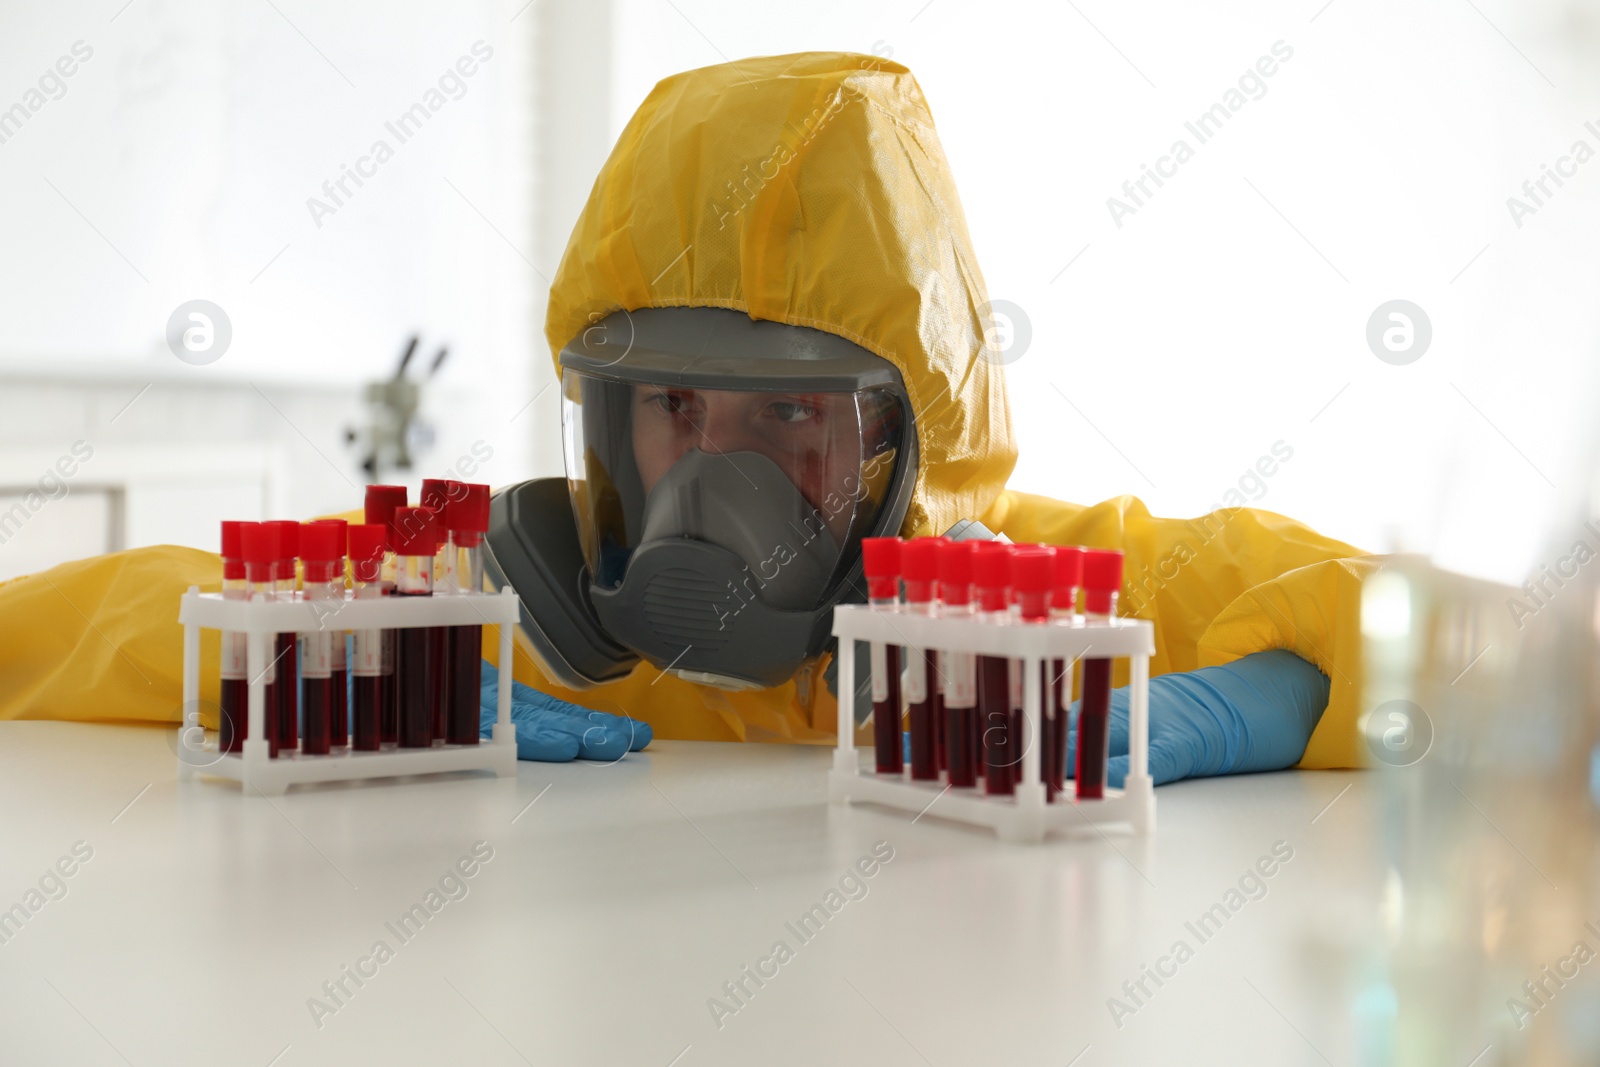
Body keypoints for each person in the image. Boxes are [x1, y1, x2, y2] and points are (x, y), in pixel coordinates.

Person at [0, 52, 1373, 782]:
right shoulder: (512, 634)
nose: (712, 476)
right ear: (604, 432)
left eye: (787, 418)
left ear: (909, 447)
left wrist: (1253, 709)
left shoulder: (1026, 614)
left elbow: (1457, 644)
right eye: (670, 405)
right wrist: (325, 677)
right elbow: (79, 625)